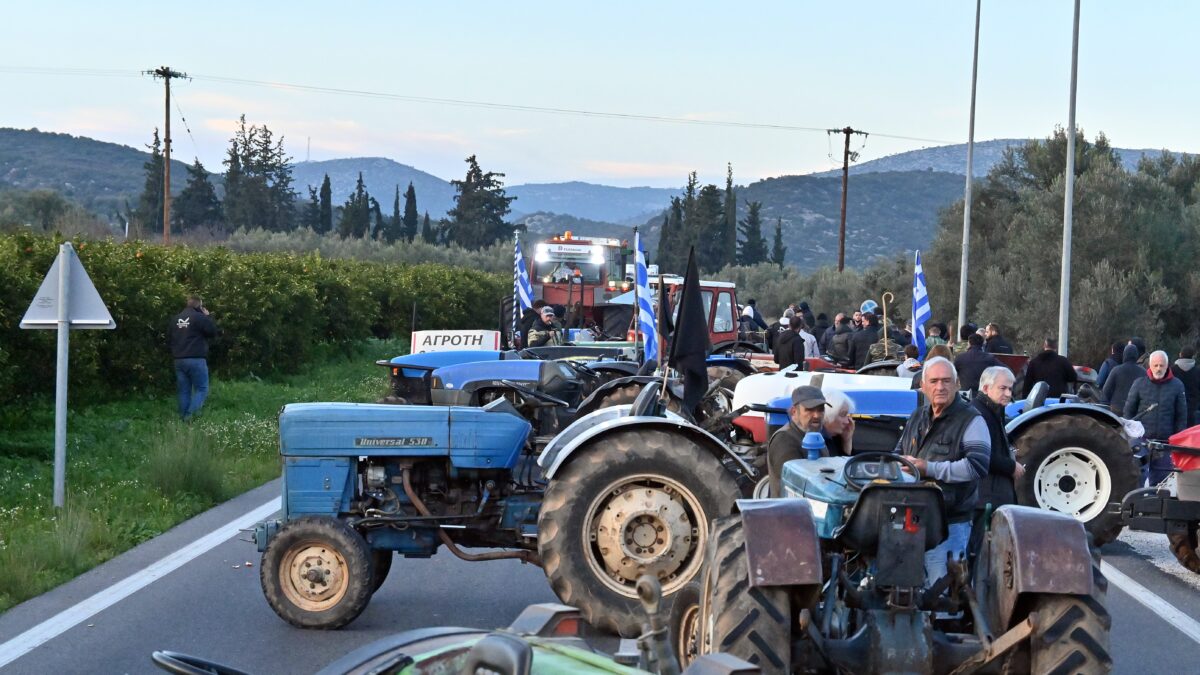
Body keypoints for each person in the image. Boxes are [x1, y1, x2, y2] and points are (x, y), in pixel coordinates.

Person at [895, 357, 991, 585]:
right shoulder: (917, 416)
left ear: (957, 384)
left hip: (950, 524)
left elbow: (977, 466)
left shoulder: (971, 419)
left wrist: (927, 468)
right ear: (923, 386)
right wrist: (897, 464)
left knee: (942, 592)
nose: (940, 387)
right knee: (906, 588)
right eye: (934, 381)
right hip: (911, 519)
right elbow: (898, 451)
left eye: (947, 381)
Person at [968, 366, 1023, 558]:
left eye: (1010, 389)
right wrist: (1011, 466)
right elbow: (981, 456)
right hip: (985, 499)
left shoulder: (993, 411)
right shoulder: (979, 414)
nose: (1008, 394)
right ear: (985, 388)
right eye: (1003, 388)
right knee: (983, 556)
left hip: (992, 496)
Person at [1126, 351, 1188, 485]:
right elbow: (1129, 412)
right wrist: (1130, 436)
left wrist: (1177, 441)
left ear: (1167, 366)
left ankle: (1154, 498)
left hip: (1165, 442)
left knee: (1161, 481)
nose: (1158, 368)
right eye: (1155, 365)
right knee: (1136, 476)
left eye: (1161, 365)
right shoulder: (1139, 384)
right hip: (1141, 440)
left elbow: (1181, 416)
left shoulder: (1177, 385)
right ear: (1150, 366)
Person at [767, 386, 830, 497]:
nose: (816, 415)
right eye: (809, 410)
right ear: (794, 411)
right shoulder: (784, 439)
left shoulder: (815, 435)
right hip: (791, 506)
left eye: (821, 409)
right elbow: (793, 484)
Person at [170, 294, 219, 422]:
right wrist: (208, 316)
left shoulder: (175, 319)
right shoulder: (199, 317)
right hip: (196, 358)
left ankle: (183, 418)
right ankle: (190, 416)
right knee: (202, 389)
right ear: (199, 306)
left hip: (178, 359)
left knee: (184, 391)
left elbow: (169, 338)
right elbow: (212, 332)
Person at [1101, 343, 1145, 414]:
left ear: (1124, 355)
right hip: (1135, 412)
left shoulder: (1116, 370)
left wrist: (1106, 407)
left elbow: (1106, 391)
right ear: (1136, 355)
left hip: (1116, 410)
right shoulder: (1143, 372)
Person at [1172, 346, 1200, 429]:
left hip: (1175, 407)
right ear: (1193, 356)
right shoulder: (1197, 371)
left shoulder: (1172, 370)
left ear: (1180, 354)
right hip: (1194, 409)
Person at [822, 389, 856, 456]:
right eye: (843, 414)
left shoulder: (837, 438)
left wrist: (847, 441)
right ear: (827, 415)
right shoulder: (816, 442)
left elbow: (848, 461)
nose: (847, 421)